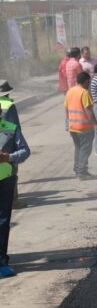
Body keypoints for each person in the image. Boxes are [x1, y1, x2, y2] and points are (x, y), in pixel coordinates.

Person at [0, 80, 31, 278]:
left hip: (5, 180)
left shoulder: (9, 128)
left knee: (2, 222)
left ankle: (2, 261)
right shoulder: (9, 107)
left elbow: (25, 150)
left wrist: (8, 157)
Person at [65, 72, 97, 180]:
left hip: (73, 127)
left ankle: (77, 170)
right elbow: (88, 111)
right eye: (89, 81)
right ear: (85, 81)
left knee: (78, 148)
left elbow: (66, 108)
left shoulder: (70, 91)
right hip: (84, 127)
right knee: (85, 149)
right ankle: (82, 172)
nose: (89, 83)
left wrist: (68, 122)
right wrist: (96, 124)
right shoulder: (84, 93)